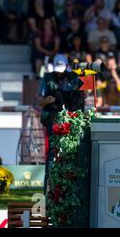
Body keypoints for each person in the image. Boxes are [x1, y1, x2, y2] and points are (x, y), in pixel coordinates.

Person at [38, 54, 85, 192]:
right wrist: (49, 100)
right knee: (53, 153)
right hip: (52, 119)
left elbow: (82, 99)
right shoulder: (47, 79)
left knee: (70, 153)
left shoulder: (74, 79)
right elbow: (39, 102)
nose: (59, 73)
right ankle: (49, 187)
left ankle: (68, 187)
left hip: (70, 120)